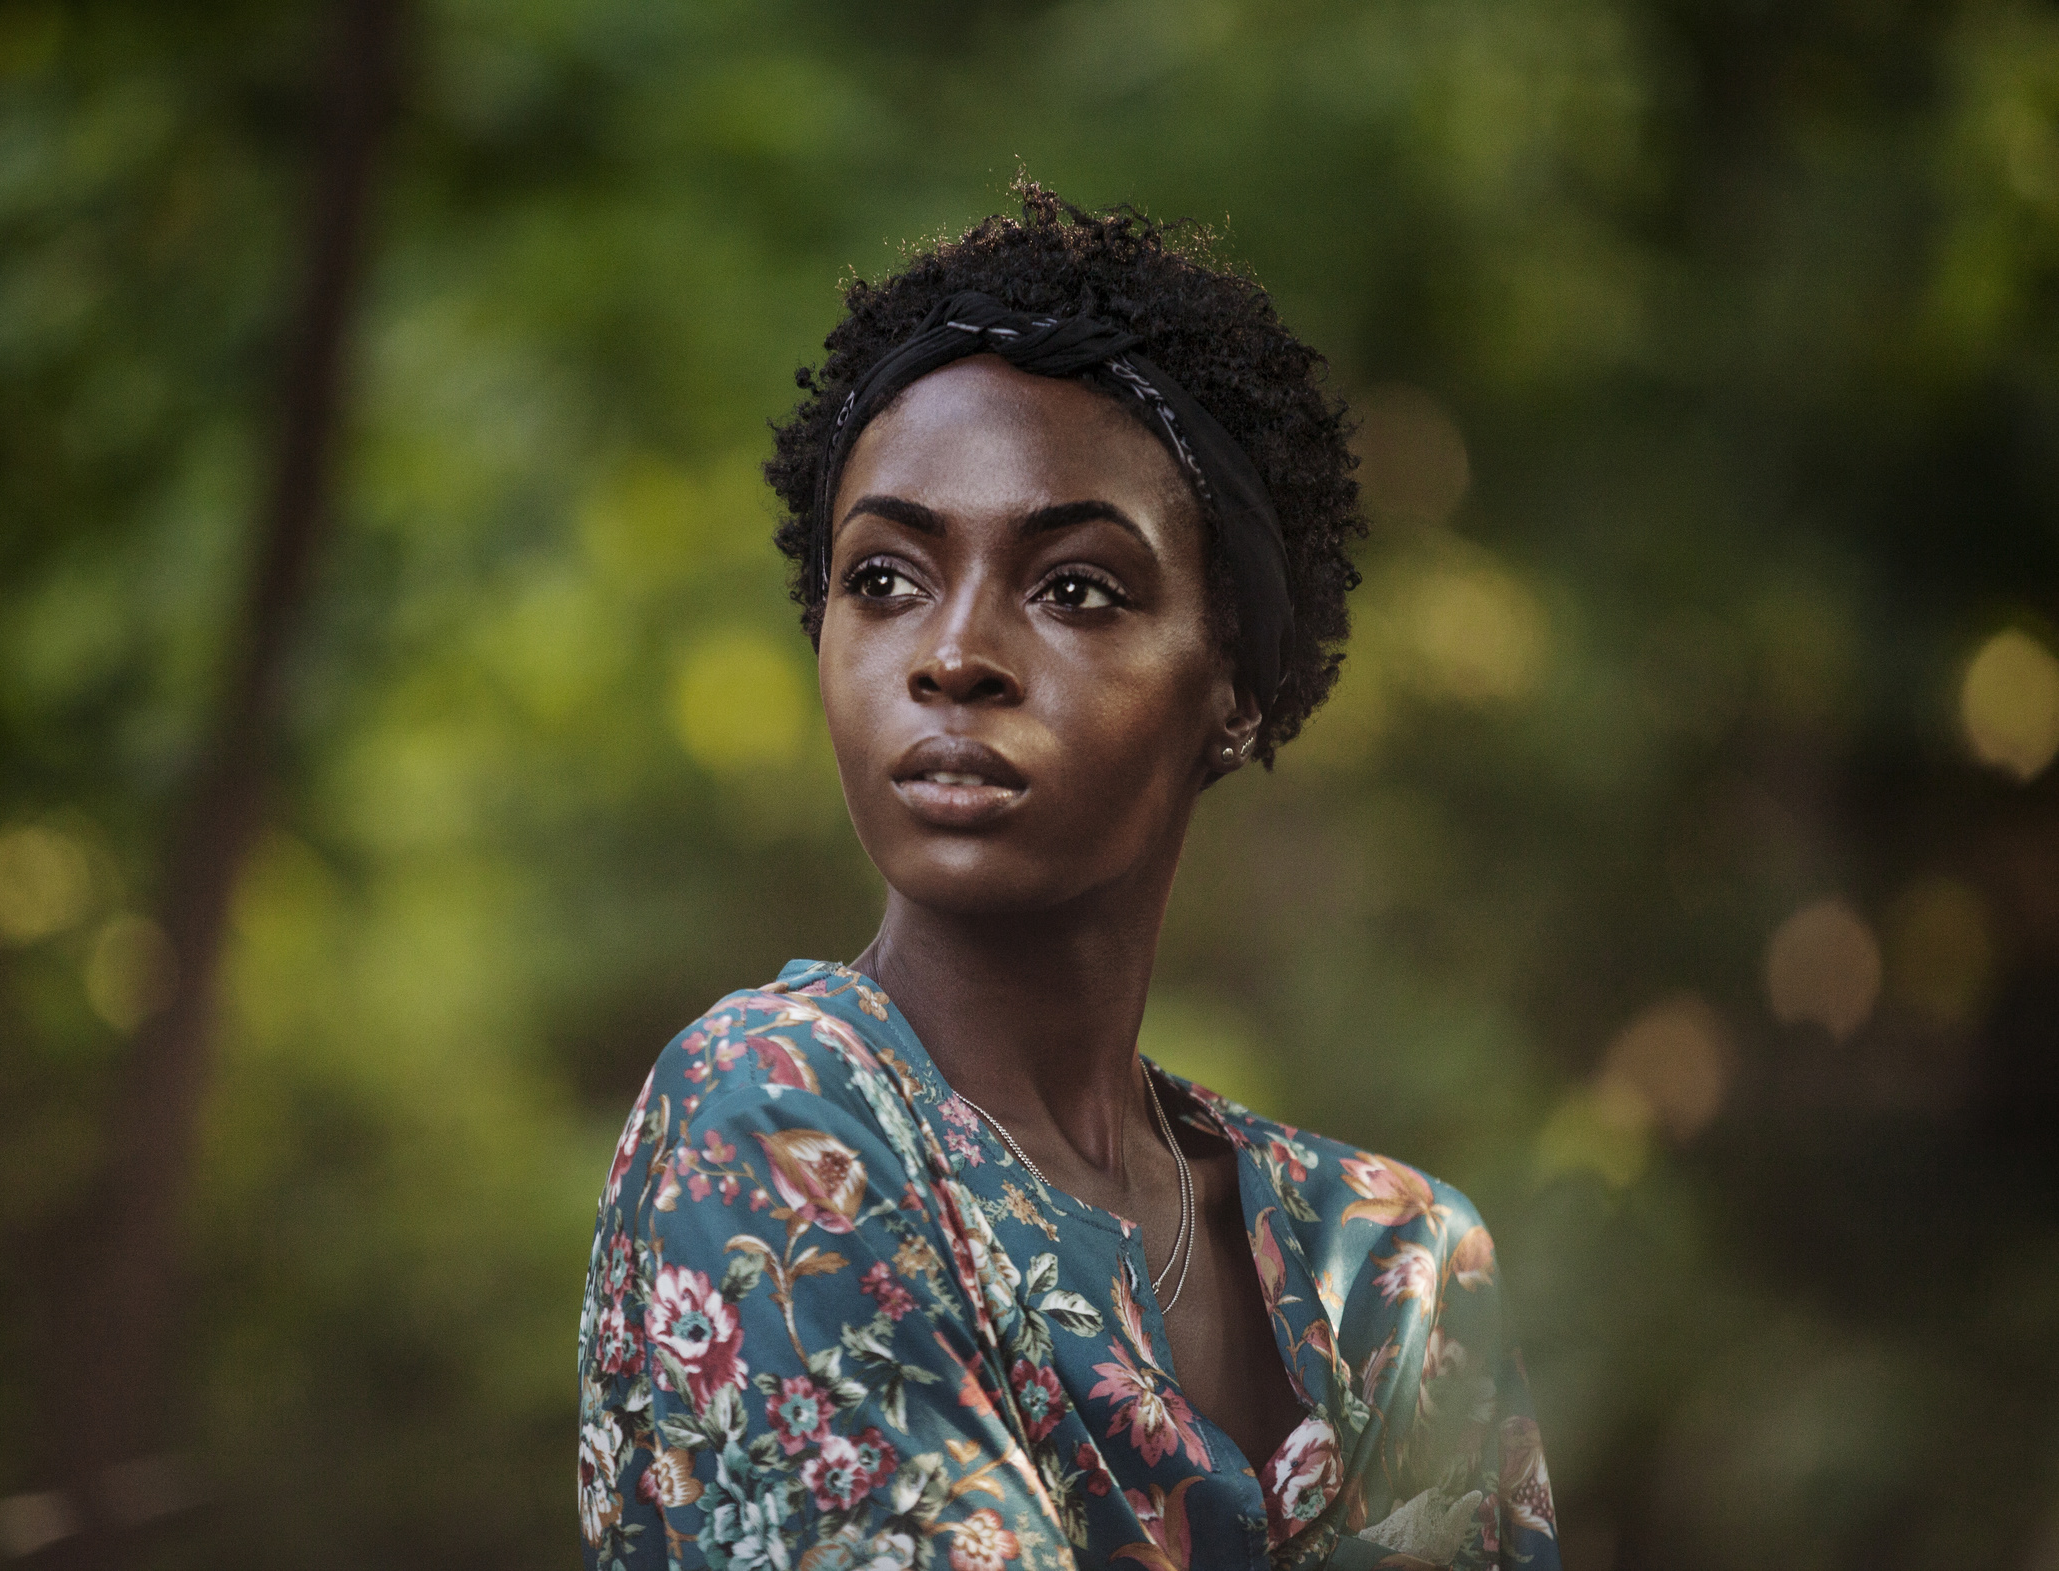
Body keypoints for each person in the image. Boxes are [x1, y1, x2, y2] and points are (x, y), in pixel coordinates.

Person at [577, 187, 1560, 1571]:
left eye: (1078, 588)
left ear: (1231, 686)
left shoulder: (1392, 1269)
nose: (953, 654)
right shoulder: (772, 1114)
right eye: (885, 578)